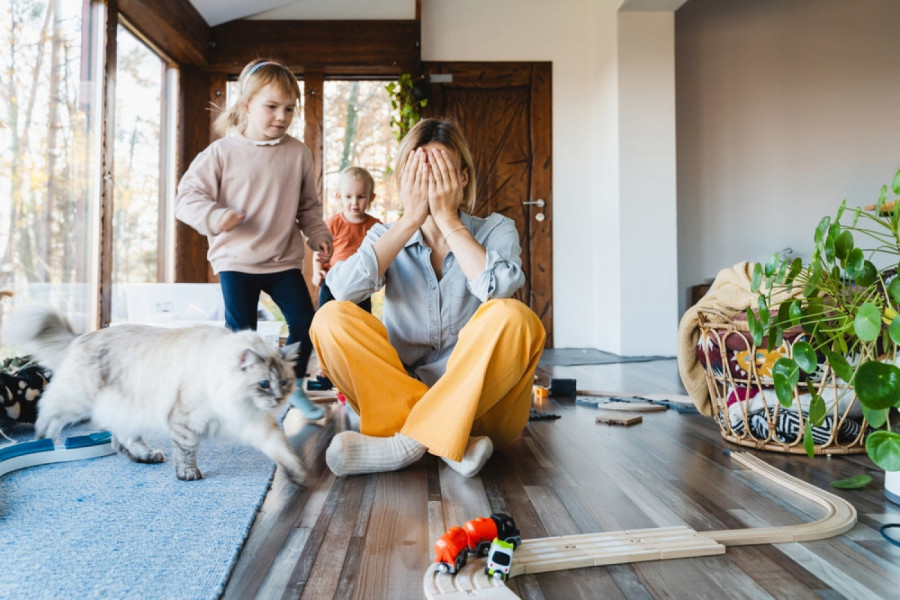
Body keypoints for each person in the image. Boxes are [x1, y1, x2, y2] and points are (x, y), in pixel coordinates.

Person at [310, 118, 546, 478]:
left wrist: (449, 221)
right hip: (395, 404)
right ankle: (450, 441)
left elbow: (498, 288)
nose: (430, 181)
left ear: (462, 178)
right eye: (419, 172)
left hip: (482, 411)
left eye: (440, 171)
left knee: (515, 317)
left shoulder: (497, 229)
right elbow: (341, 290)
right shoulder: (384, 235)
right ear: (404, 180)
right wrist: (408, 222)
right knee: (329, 319)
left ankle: (407, 444)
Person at [175, 58, 333, 420]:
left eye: (289, 108)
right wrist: (216, 217)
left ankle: (290, 387)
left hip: (282, 262)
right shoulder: (221, 153)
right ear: (246, 107)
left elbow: (308, 206)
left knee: (306, 325)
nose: (282, 116)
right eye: (271, 107)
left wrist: (318, 235)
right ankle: (238, 401)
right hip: (236, 261)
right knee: (241, 337)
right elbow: (186, 198)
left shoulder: (298, 154)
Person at [307, 166, 383, 392]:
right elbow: (319, 251)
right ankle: (325, 371)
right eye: (349, 197)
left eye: (361, 197)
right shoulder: (333, 224)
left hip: (360, 286)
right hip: (332, 283)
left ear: (371, 198)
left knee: (359, 328)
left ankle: (355, 369)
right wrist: (317, 270)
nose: (355, 203)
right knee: (324, 326)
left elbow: (381, 253)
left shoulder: (375, 226)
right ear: (339, 197)